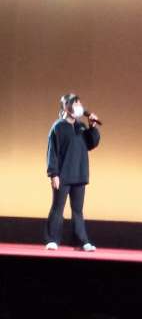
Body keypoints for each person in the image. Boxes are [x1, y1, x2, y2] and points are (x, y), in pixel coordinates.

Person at [45, 93, 101, 251]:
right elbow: (52, 152)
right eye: (75, 104)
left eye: (79, 104)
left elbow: (92, 143)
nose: (79, 106)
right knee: (58, 208)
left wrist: (92, 127)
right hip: (63, 175)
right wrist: (53, 174)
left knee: (77, 210)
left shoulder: (80, 126)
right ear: (66, 107)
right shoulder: (58, 127)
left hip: (79, 175)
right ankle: (52, 240)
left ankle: (82, 241)